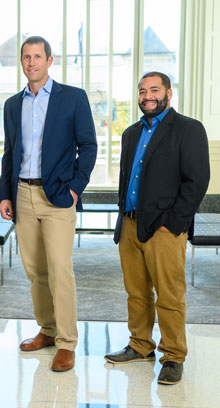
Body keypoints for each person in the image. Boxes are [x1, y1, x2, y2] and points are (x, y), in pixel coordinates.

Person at [104, 72, 210, 385]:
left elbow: (197, 180)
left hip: (164, 228)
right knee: (136, 293)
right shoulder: (131, 133)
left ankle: (173, 355)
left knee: (169, 295)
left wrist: (174, 223)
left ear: (168, 93)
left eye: (154, 89)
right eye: (142, 91)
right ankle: (140, 345)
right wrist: (122, 217)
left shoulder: (188, 129)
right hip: (130, 224)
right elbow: (128, 180)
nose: (147, 95)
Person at [0, 36, 97, 372]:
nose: (31, 63)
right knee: (35, 270)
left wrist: (75, 190)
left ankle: (67, 342)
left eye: (37, 57)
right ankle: (48, 329)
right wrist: (5, 195)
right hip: (23, 194)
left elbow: (89, 146)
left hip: (57, 196)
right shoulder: (13, 104)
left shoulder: (72, 98)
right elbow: (9, 152)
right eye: (26, 57)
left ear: (50, 60)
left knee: (59, 269)